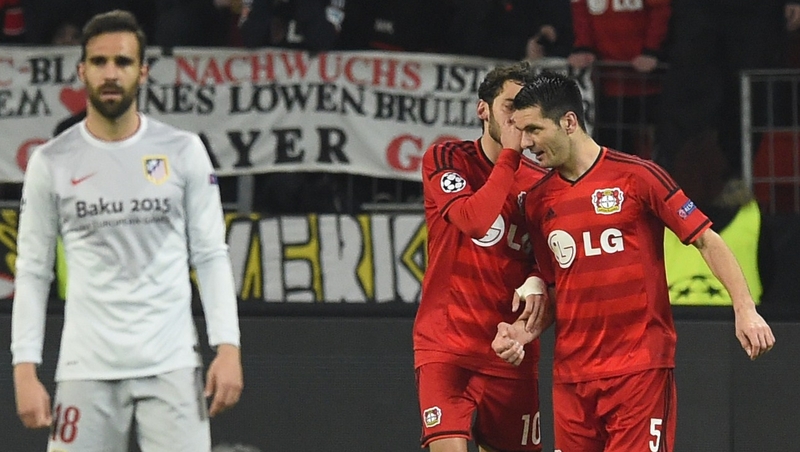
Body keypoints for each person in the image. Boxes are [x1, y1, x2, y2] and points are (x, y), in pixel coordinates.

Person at [493, 72, 775, 452]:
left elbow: (706, 240)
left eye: (534, 130)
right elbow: (558, 289)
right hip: (572, 380)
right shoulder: (538, 202)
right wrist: (526, 331)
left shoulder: (637, 177)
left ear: (569, 122)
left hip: (638, 371)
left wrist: (745, 308)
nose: (526, 143)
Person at [11, 10, 243, 452]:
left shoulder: (183, 151)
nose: (110, 73)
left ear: (143, 71)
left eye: (122, 62)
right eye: (99, 63)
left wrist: (227, 346)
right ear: (81, 71)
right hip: (84, 368)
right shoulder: (51, 162)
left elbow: (211, 254)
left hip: (172, 365)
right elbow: (33, 270)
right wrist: (24, 369)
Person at [414, 61, 550, 452]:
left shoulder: (542, 184)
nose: (517, 118)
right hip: (447, 346)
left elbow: (551, 267)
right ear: (483, 109)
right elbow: (474, 220)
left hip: (511, 353)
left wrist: (536, 284)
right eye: (509, 105)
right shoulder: (446, 159)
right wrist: (510, 155)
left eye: (526, 108)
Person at [568, 0, 671, 158]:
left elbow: (661, 10)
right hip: (605, 84)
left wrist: (652, 50)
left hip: (647, 80)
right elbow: (580, 11)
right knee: (612, 148)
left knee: (651, 147)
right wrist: (583, 46)